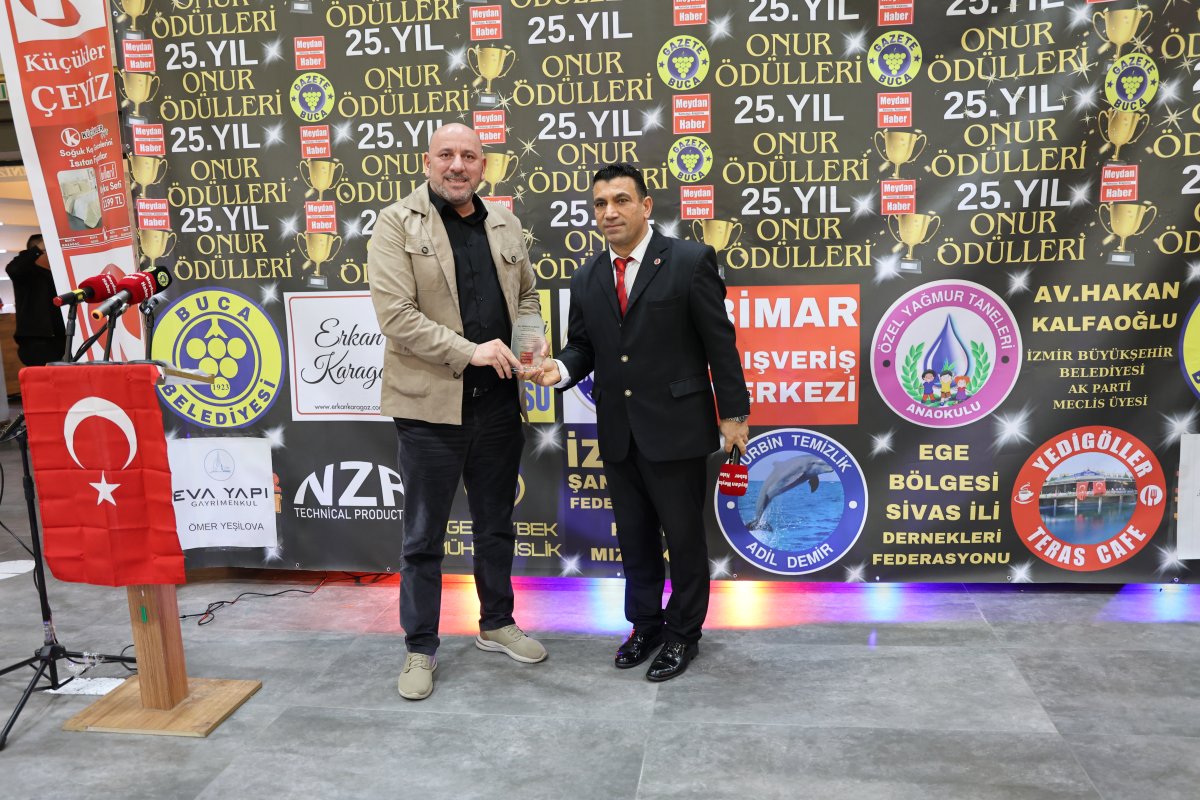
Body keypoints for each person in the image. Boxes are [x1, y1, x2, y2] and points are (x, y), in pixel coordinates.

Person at [536, 163, 750, 681]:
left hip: (677, 429)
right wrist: (559, 369)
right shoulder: (587, 276)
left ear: (646, 206)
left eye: (621, 200)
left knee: (684, 540)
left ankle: (683, 634)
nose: (609, 212)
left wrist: (734, 415)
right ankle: (646, 626)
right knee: (634, 539)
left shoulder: (690, 261)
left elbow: (720, 345)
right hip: (618, 431)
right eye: (600, 204)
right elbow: (583, 346)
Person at [369, 123, 546, 701]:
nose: (457, 165)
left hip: (499, 406)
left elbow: (526, 294)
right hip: (429, 410)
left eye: (469, 156)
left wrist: (530, 339)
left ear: (483, 166)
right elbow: (396, 315)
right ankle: (420, 646)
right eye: (446, 154)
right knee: (423, 538)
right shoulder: (396, 223)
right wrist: (471, 351)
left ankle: (496, 623)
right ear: (428, 163)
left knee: (496, 525)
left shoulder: (504, 223)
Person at [5, 234, 65, 367]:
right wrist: (39, 248)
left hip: (61, 340)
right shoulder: (26, 273)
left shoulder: (55, 274)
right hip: (38, 344)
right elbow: (13, 268)